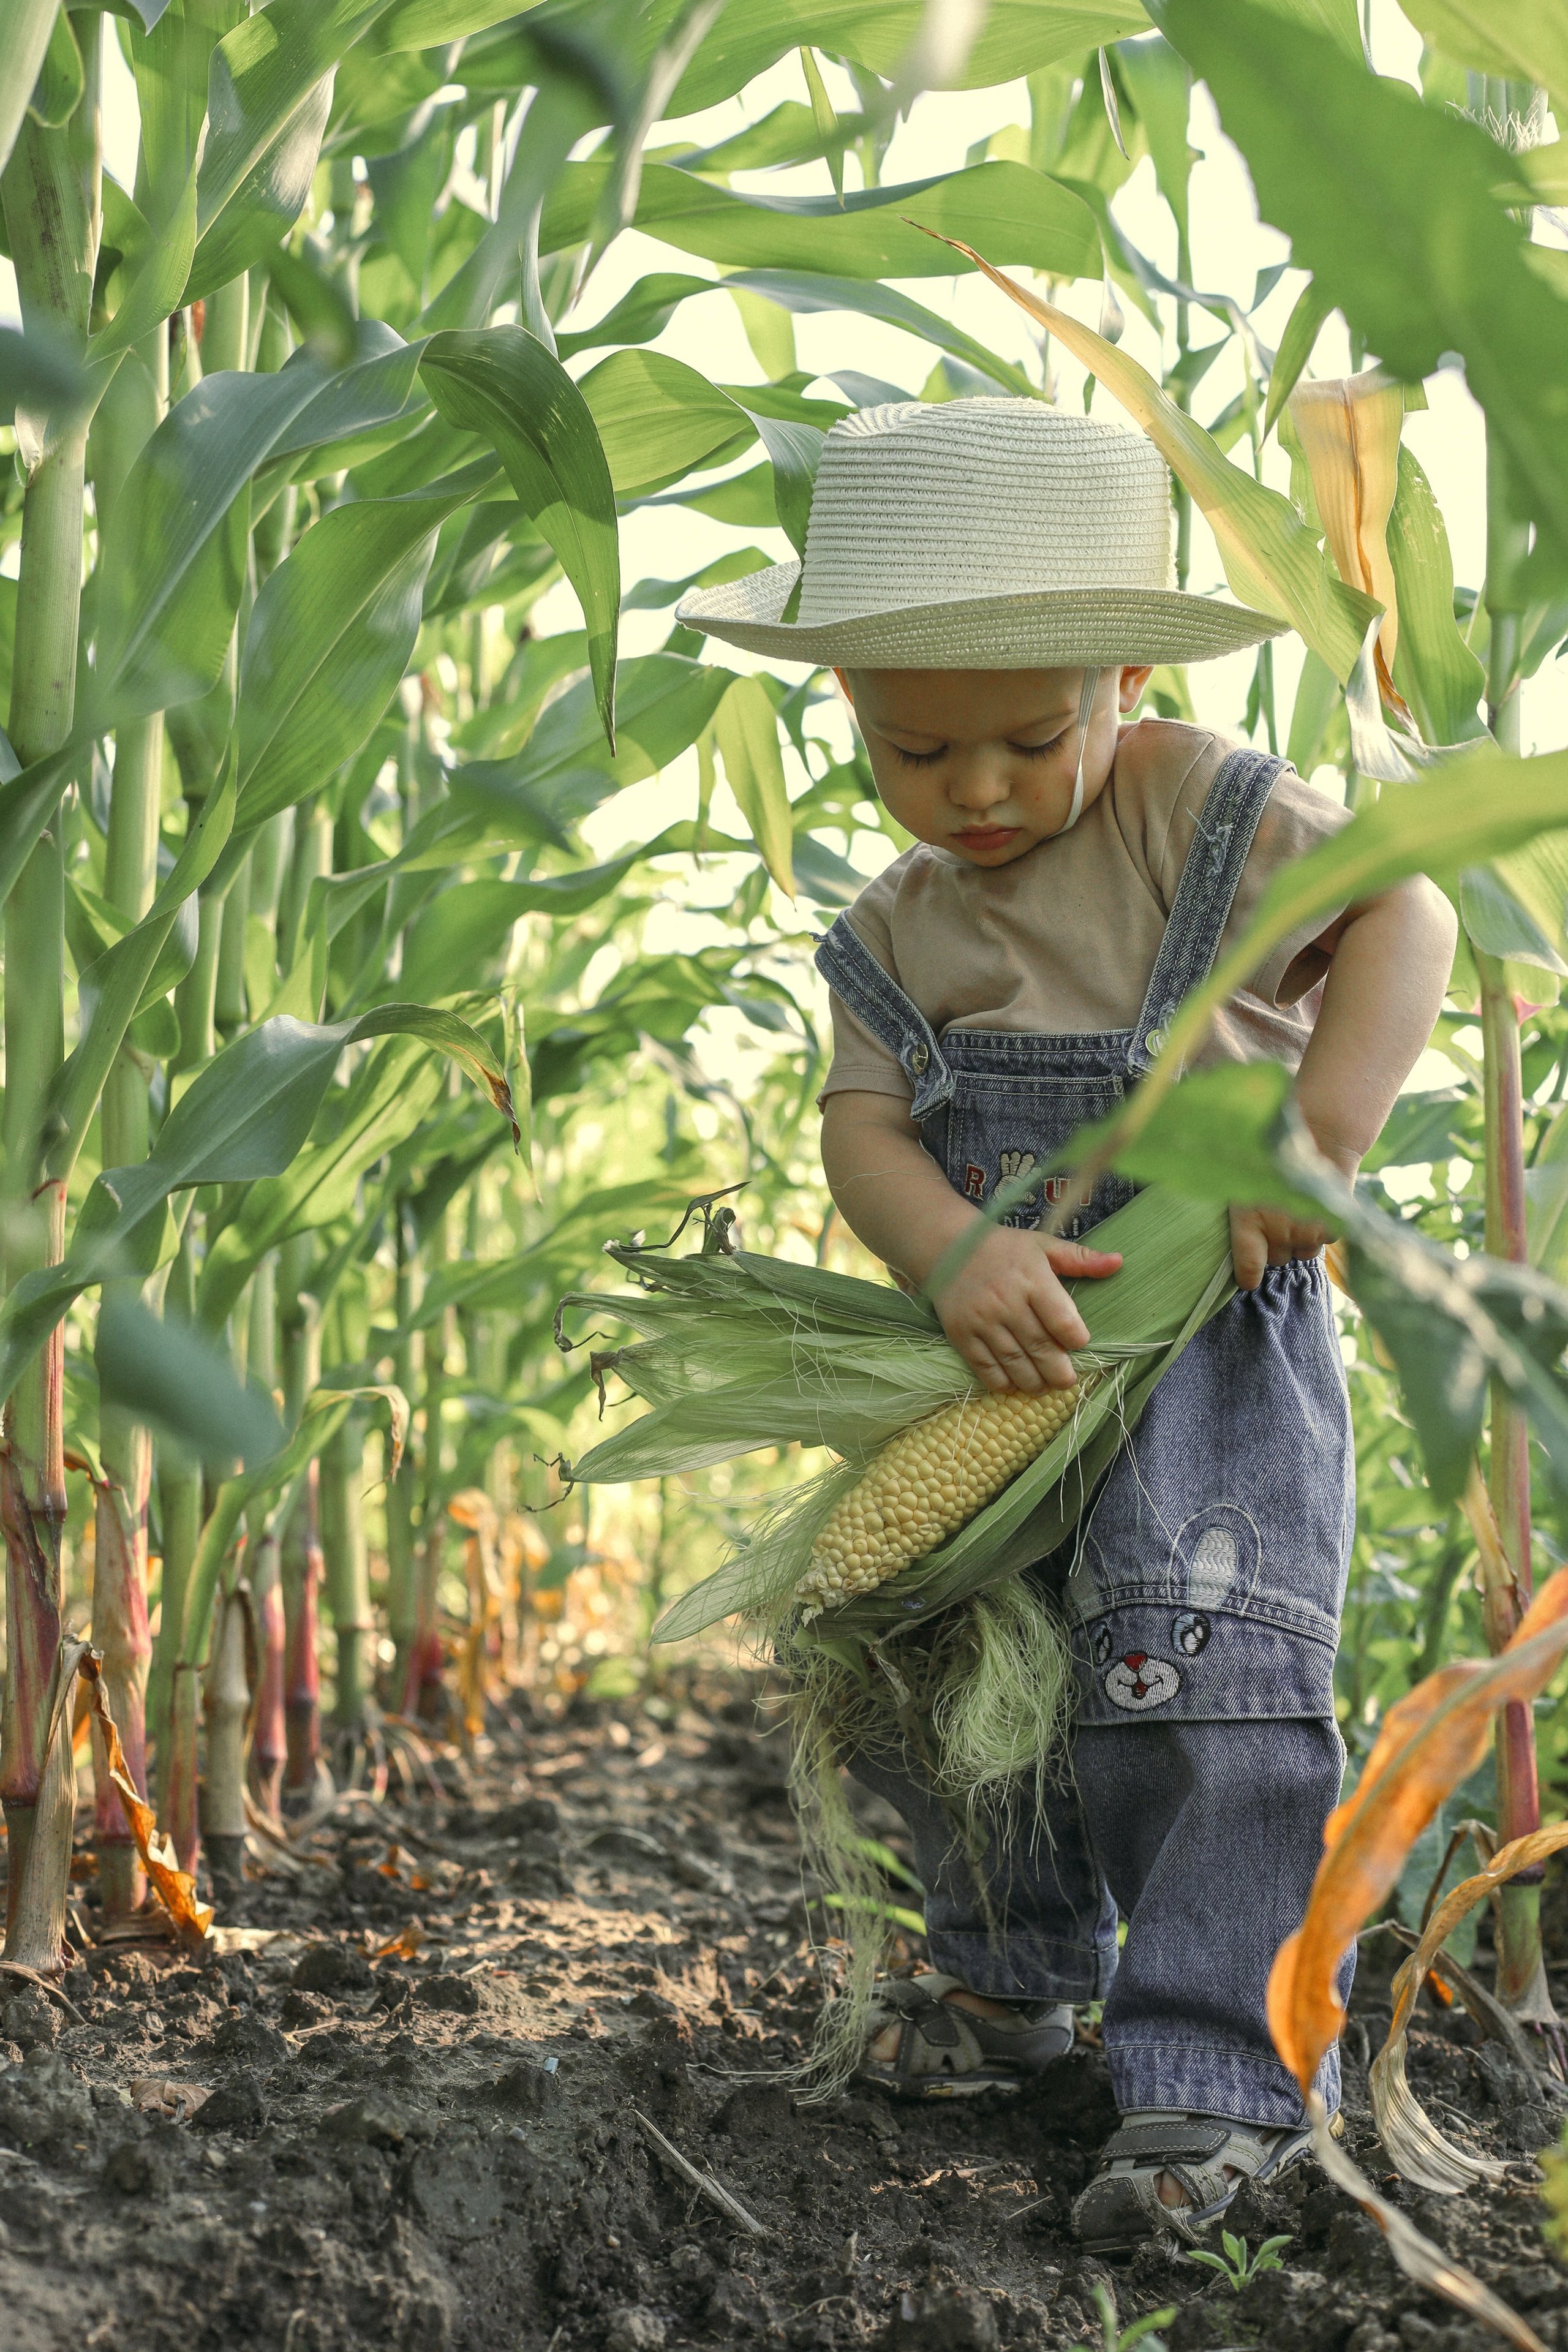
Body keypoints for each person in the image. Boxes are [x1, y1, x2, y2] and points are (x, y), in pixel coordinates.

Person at [674, 399, 1456, 2249]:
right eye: (915, 746)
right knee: (967, 1690)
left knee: (1202, 1690)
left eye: (1035, 737)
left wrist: (1315, 1136)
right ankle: (1009, 1980)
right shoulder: (896, 924)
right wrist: (948, 1252)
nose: (981, 791)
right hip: (1000, 1367)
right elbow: (862, 1123)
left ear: (1124, 675)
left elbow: (1407, 909)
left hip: (1200, 1365)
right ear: (850, 700)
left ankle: (1213, 2079)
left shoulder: (1209, 812)